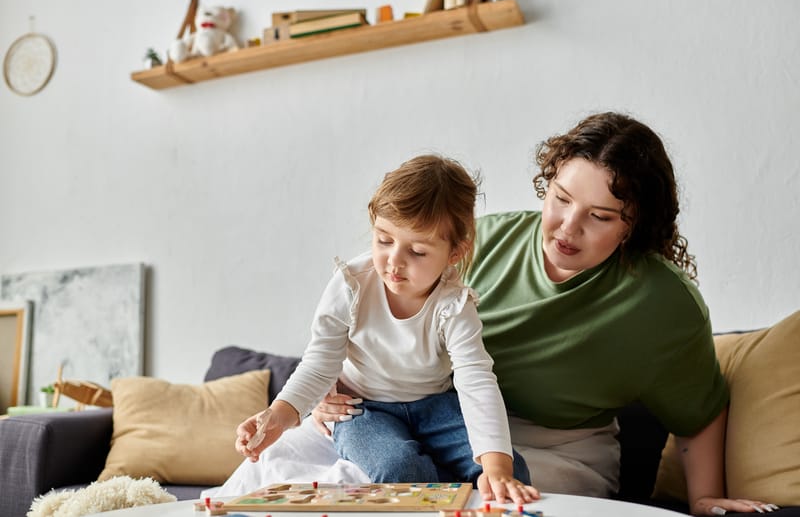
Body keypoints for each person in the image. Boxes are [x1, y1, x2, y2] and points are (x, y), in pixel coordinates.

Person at [309, 113, 776, 515]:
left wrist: (706, 498)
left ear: (636, 224)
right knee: (314, 476)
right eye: (561, 199)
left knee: (494, 502)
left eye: (600, 216)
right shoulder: (482, 243)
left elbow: (698, 411)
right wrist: (331, 388)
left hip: (558, 448)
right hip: (442, 418)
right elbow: (372, 298)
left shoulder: (664, 303)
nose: (567, 228)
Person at [235, 155, 538, 505]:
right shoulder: (351, 285)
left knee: (513, 474)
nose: (394, 260)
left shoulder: (454, 304)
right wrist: (277, 417)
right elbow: (320, 363)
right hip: (363, 409)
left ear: (456, 251)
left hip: (436, 406)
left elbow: (475, 379)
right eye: (383, 240)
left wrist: (497, 465)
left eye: (418, 251)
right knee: (400, 469)